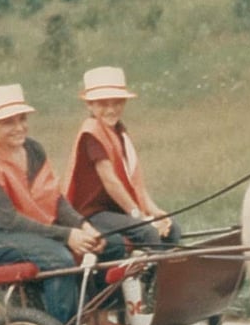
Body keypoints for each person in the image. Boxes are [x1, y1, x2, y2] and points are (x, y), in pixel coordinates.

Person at [0, 83, 130, 325]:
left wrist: (82, 226)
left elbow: (55, 199)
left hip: (33, 226)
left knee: (110, 243)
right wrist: (67, 236)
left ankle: (98, 321)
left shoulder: (33, 149)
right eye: (7, 122)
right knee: (59, 259)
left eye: (21, 119)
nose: (19, 127)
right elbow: (8, 220)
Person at [62, 66, 181, 250]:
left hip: (115, 210)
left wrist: (154, 211)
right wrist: (137, 215)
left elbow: (135, 183)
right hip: (93, 213)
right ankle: (152, 274)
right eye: (103, 104)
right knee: (146, 232)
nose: (111, 110)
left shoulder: (119, 131)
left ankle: (166, 274)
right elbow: (111, 181)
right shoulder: (91, 134)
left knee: (171, 226)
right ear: (89, 105)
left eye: (117, 103)